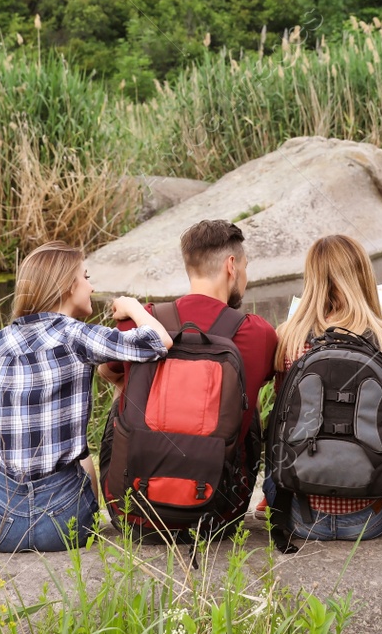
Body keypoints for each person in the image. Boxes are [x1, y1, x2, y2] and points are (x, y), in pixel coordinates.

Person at [0, 241, 173, 552]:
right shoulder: (77, 334)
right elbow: (158, 341)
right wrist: (132, 306)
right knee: (79, 452)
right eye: (86, 277)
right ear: (67, 285)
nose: (91, 287)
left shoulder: (0, 341)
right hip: (62, 524)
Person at [101, 219, 278, 538]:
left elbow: (106, 370)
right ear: (231, 266)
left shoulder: (141, 322)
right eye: (246, 268)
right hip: (218, 516)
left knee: (123, 392)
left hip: (136, 512)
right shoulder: (259, 333)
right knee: (247, 410)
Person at [266, 234, 382, 542]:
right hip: (369, 519)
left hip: (302, 518)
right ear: (363, 278)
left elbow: (281, 423)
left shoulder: (288, 340)